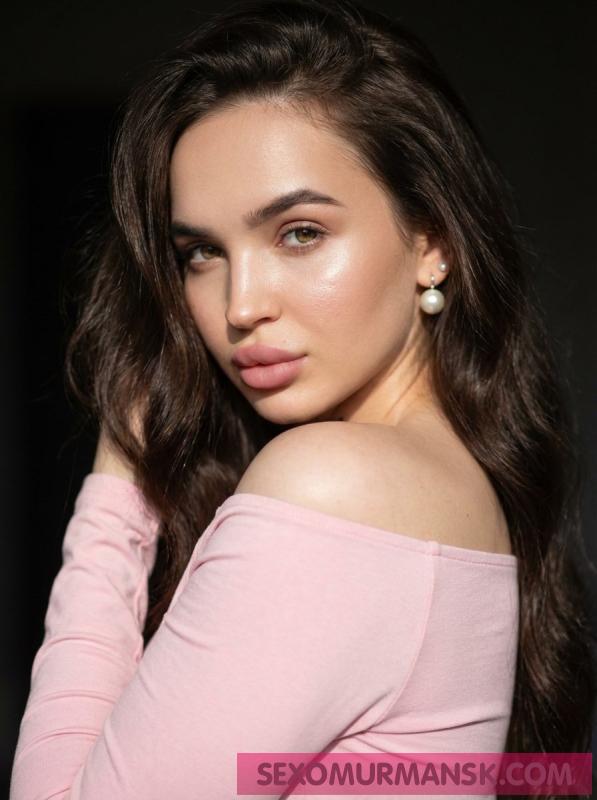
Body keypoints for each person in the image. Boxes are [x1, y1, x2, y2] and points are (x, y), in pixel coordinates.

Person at [9, 0, 595, 797]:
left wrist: (118, 485)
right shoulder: (450, 484)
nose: (241, 305)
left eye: (299, 233)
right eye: (202, 252)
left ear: (431, 240)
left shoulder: (336, 483)